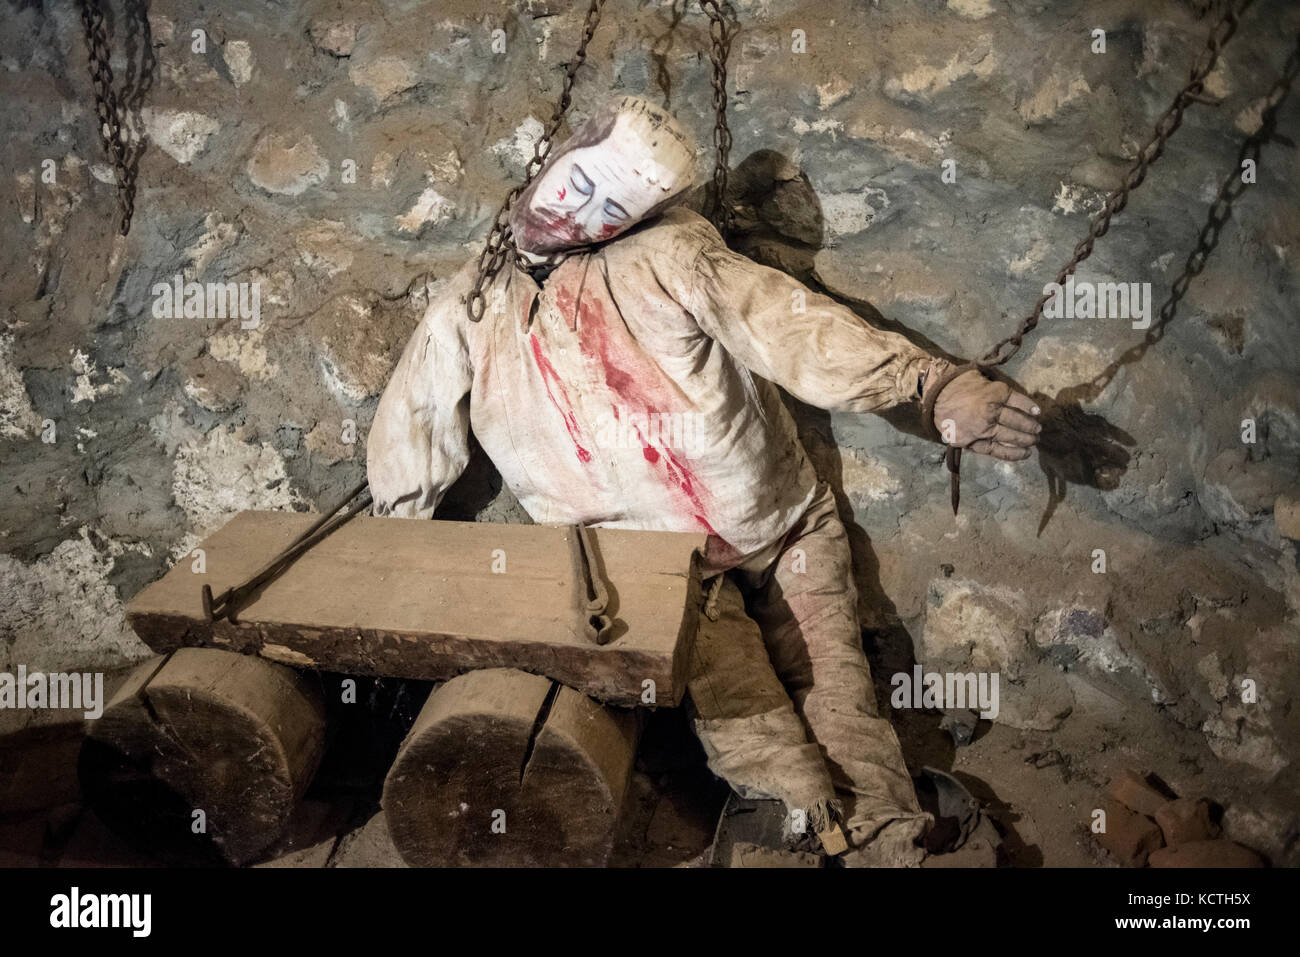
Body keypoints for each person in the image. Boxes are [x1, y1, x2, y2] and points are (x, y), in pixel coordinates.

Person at [367, 95, 1041, 865]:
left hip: (783, 526)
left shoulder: (674, 254)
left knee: (841, 698)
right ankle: (807, 830)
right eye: (579, 182)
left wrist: (929, 384)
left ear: (638, 214)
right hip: (655, 570)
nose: (579, 210)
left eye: (613, 203)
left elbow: (792, 326)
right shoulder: (473, 304)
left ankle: (889, 841)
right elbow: (411, 425)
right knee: (752, 729)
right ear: (553, 160)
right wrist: (397, 537)